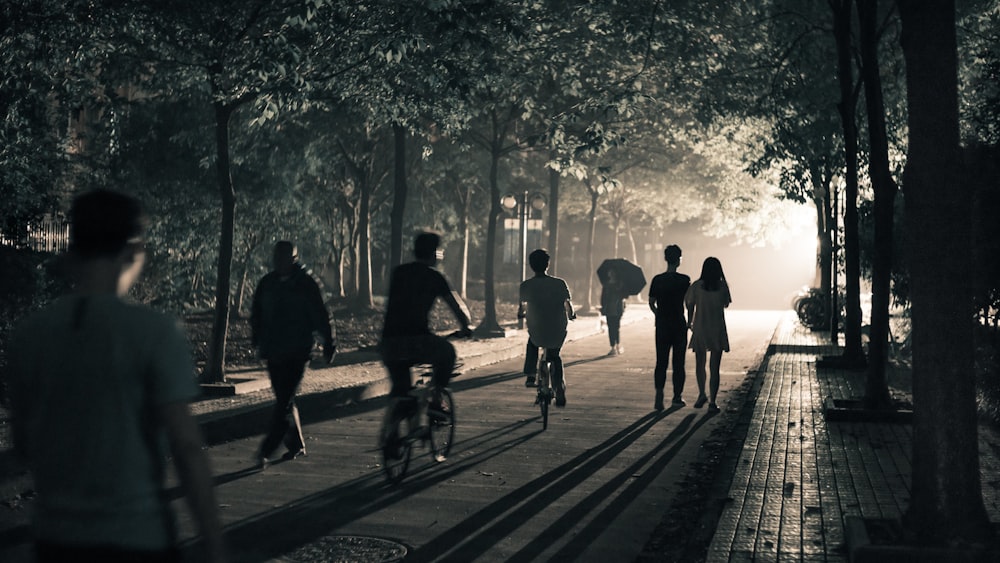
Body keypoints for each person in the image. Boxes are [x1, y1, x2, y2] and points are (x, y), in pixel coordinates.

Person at [7, 189, 228, 563]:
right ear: (132, 251)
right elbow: (187, 447)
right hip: (137, 537)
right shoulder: (154, 332)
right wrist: (214, 545)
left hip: (55, 539)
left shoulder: (29, 335)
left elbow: (24, 441)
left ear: (73, 250)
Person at [251, 241, 336, 467]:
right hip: (274, 351)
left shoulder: (307, 284)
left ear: (294, 259)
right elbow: (257, 314)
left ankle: (266, 450)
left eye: (284, 258)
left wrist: (329, 344)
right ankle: (296, 444)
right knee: (284, 400)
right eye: (276, 258)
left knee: (284, 403)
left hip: (298, 351)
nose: (279, 263)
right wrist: (256, 340)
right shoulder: (267, 284)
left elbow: (322, 315)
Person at [379, 232, 472, 416]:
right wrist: (466, 327)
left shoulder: (399, 272)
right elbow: (458, 309)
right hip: (417, 341)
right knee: (447, 353)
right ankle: (437, 399)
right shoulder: (435, 277)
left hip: (389, 343)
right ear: (435, 253)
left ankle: (391, 432)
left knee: (401, 389)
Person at [518, 249, 576, 406]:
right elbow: (568, 304)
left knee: (532, 344)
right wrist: (571, 315)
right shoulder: (559, 283)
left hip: (537, 328)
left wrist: (521, 315)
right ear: (548, 264)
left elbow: (522, 307)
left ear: (531, 265)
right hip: (557, 328)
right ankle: (559, 390)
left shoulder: (526, 285)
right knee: (554, 356)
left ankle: (531, 374)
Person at [685, 256, 732, 413]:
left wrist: (689, 322)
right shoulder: (723, 286)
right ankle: (713, 401)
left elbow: (690, 305)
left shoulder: (696, 286)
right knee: (715, 367)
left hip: (700, 327)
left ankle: (701, 394)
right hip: (717, 328)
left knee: (700, 364)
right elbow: (726, 303)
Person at [648, 245, 691, 410]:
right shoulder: (684, 280)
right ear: (679, 259)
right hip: (679, 324)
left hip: (662, 325)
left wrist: (658, 314)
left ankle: (659, 395)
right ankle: (677, 396)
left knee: (661, 361)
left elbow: (651, 302)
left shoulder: (657, 280)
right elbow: (689, 302)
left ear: (666, 259)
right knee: (679, 363)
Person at [600, 267, 627, 355]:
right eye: (610, 272)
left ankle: (617, 345)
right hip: (609, 309)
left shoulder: (620, 284)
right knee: (611, 328)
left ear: (615, 273)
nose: (611, 273)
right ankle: (613, 347)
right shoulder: (606, 285)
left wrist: (620, 290)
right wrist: (603, 307)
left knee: (616, 328)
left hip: (618, 309)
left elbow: (625, 296)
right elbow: (603, 298)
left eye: (613, 272)